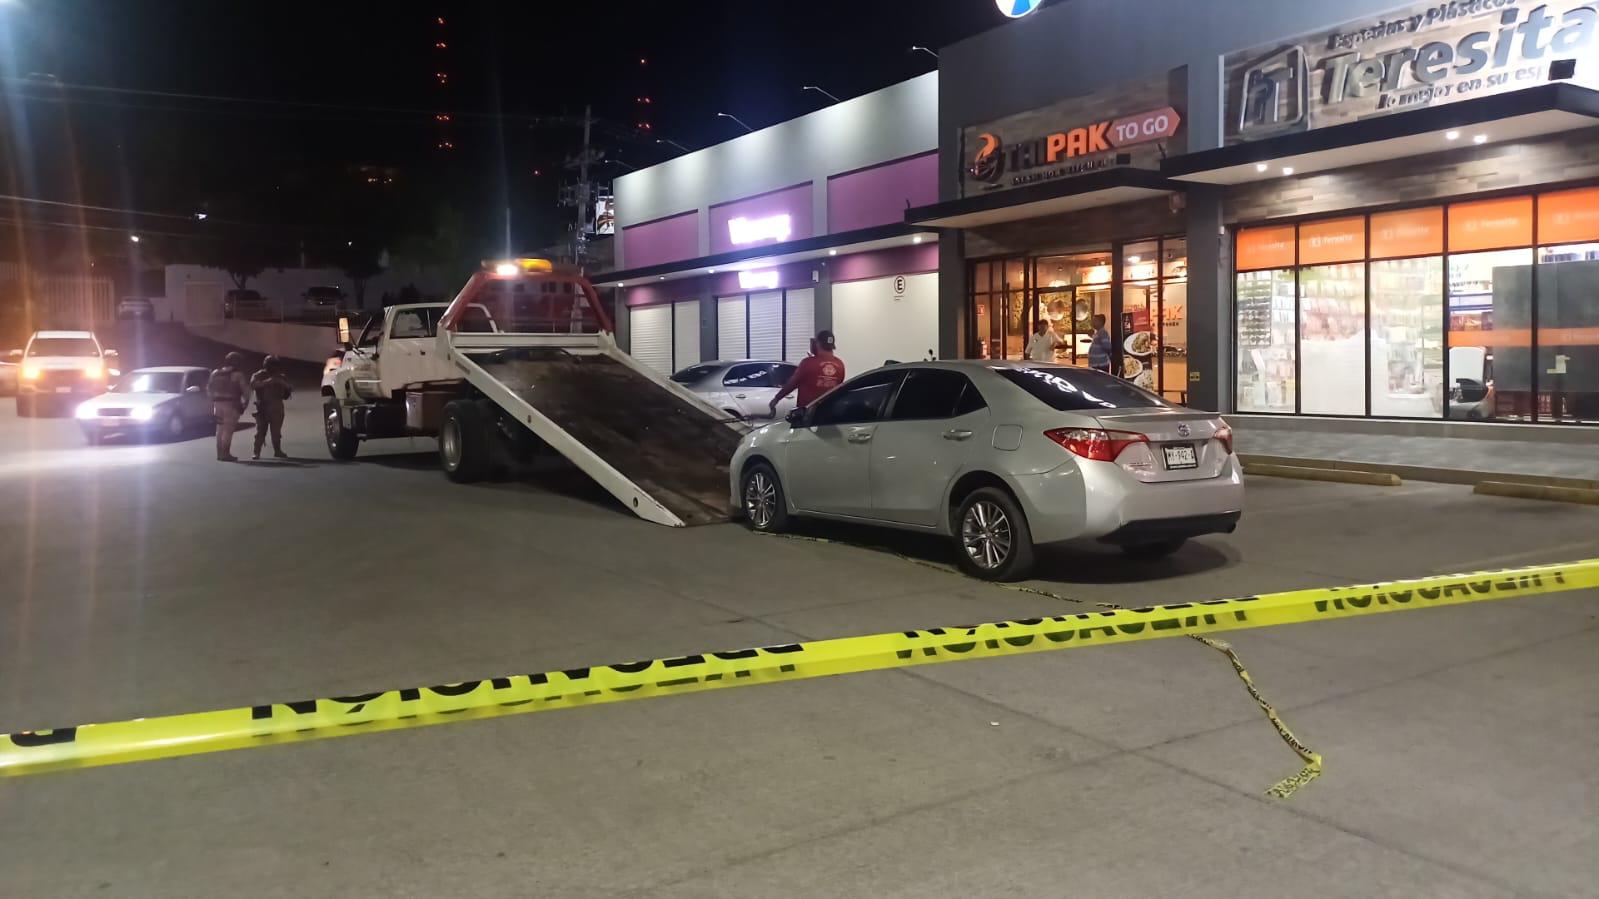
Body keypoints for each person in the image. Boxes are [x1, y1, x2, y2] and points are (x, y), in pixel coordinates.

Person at [769, 330, 846, 416]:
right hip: (829, 413)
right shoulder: (840, 364)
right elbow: (839, 388)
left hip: (808, 414)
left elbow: (792, 384)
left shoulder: (807, 363)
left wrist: (776, 399)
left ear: (818, 344)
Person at [208, 351, 250, 462]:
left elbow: (209, 389)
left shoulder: (215, 373)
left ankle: (219, 453)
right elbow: (245, 390)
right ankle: (225, 453)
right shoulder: (238, 375)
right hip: (231, 404)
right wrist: (245, 402)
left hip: (217, 404)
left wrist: (213, 402)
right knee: (228, 429)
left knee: (219, 429)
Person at [250, 355, 293, 460]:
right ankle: (256, 452)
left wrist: (282, 384)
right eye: (271, 365)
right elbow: (253, 385)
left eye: (274, 365)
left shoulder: (281, 377)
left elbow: (289, 390)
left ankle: (277, 451)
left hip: (277, 406)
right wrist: (268, 382)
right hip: (262, 407)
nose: (273, 367)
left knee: (276, 432)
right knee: (260, 431)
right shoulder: (258, 375)